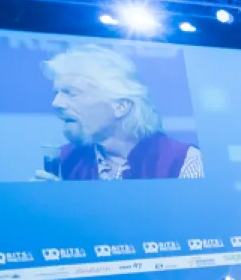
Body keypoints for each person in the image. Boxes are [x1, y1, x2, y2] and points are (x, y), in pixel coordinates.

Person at [39, 44, 203, 179]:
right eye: (56, 94)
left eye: (71, 93)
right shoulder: (65, 161)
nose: (56, 103)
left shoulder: (183, 162)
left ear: (121, 106)